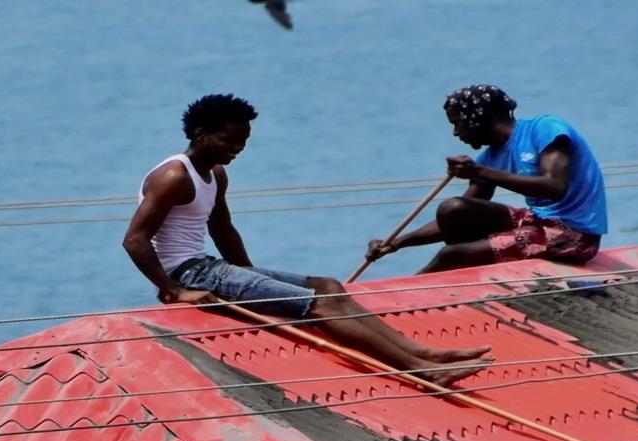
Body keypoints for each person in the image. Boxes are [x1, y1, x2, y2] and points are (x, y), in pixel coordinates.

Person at [122, 94, 491, 386]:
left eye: (244, 142)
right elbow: (135, 240)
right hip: (191, 275)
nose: (238, 148)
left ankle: (423, 352)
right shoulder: (173, 176)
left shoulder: (215, 174)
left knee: (330, 285)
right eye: (229, 139)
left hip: (213, 268)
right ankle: (420, 370)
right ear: (200, 133)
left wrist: (254, 279)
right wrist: (173, 291)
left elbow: (224, 230)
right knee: (317, 305)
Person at [367, 85, 608, 273]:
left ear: (476, 117)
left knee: (450, 256)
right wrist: (398, 242)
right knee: (453, 209)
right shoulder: (489, 158)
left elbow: (554, 187)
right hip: (538, 223)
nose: (456, 133)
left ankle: (408, 300)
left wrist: (478, 172)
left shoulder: (545, 128)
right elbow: (455, 217)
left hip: (573, 236)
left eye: (458, 124)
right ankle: (481, 262)